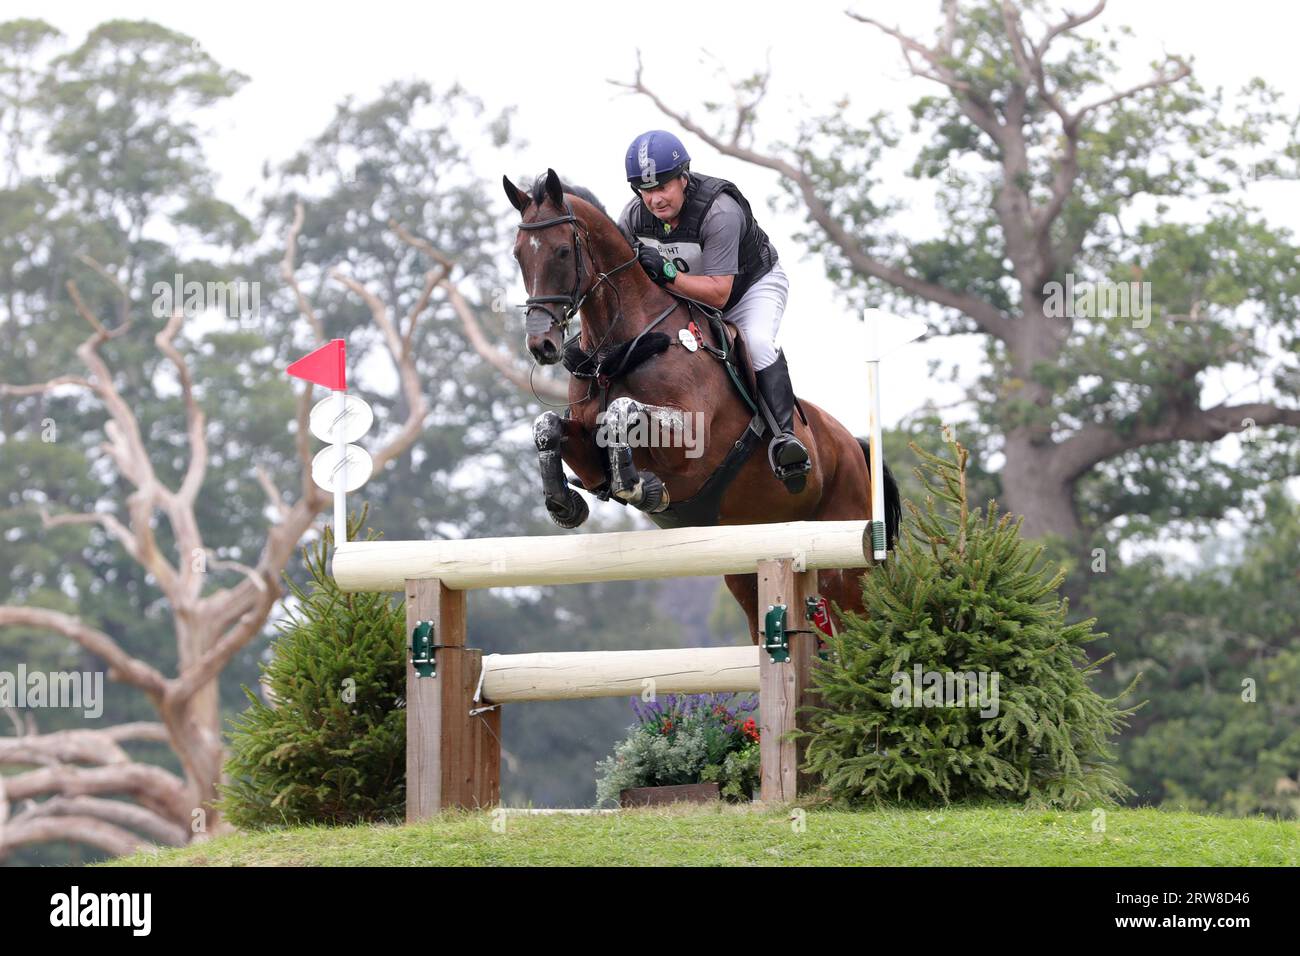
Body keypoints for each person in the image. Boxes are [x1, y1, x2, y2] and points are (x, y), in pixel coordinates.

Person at [616, 129, 811, 493]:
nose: (655, 199)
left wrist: (667, 274)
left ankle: (785, 439)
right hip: (689, 301)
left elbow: (720, 295)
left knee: (755, 343)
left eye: (663, 187)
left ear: (683, 179)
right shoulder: (631, 219)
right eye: (647, 191)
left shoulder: (718, 210)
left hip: (749, 290)